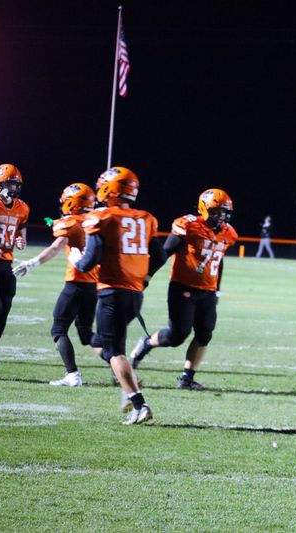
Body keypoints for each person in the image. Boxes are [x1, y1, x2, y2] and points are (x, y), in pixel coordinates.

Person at [74, 166, 166, 424]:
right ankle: (129, 385)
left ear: (109, 189)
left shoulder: (102, 217)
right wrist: (144, 278)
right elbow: (159, 255)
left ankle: (137, 402)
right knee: (98, 342)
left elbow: (89, 259)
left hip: (112, 291)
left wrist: (77, 262)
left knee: (114, 351)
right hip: (135, 293)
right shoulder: (145, 218)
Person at [129, 188, 238, 390]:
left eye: (223, 212)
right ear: (203, 209)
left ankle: (187, 378)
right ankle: (146, 344)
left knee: (205, 334)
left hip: (208, 291)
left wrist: (218, 290)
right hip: (183, 288)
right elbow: (165, 253)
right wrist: (146, 277)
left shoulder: (228, 233)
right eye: (215, 211)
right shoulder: (188, 226)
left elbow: (218, 261)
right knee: (177, 336)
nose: (220, 216)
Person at [13, 183, 103, 385]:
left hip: (77, 283)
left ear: (72, 202)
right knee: (86, 333)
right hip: (95, 285)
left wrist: (32, 262)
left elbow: (56, 247)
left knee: (58, 329)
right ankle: (117, 363)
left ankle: (72, 375)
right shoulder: (97, 220)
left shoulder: (70, 222)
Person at [0, 164, 30, 364]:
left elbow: (19, 230)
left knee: (4, 309)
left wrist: (20, 240)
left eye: (15, 185)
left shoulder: (22, 207)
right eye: (9, 184)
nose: (13, 189)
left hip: (6, 264)